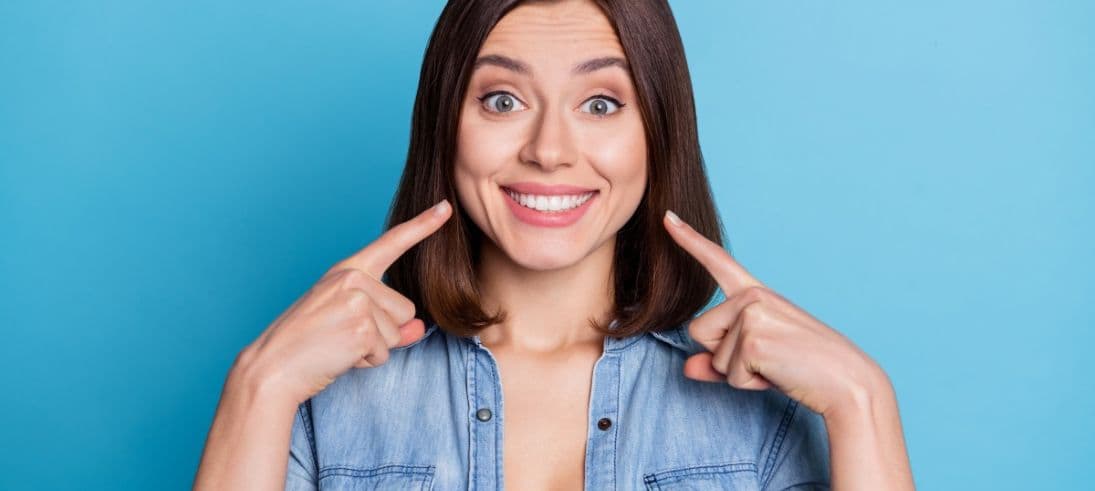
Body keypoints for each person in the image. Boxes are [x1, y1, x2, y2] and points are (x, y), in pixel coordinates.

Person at [193, 0, 915, 489]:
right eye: (501, 100)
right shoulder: (323, 401)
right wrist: (258, 386)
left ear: (656, 136)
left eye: (600, 103)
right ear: (445, 126)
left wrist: (862, 400)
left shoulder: (765, 411)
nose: (548, 150)